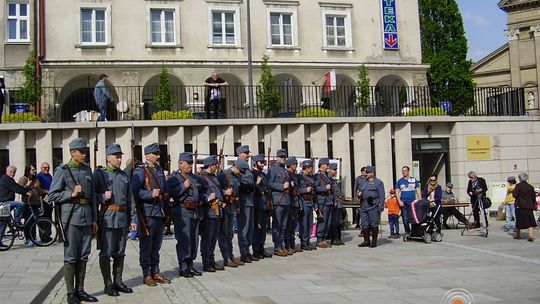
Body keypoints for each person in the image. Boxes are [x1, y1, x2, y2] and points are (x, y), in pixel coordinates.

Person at [48, 138, 98, 304]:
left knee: (83, 255)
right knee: (71, 256)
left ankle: (80, 290)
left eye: (85, 152)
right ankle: (70, 293)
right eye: (81, 152)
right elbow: (52, 195)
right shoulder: (62, 170)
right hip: (71, 218)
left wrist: (94, 219)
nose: (84, 154)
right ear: (72, 152)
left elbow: (92, 199)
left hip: (86, 216)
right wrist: (71, 194)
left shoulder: (86, 170)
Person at [93, 144, 133, 297]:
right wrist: (102, 197)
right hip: (108, 218)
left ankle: (118, 281)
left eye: (120, 156)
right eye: (116, 156)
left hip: (122, 218)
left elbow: (130, 199)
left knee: (120, 252)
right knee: (106, 253)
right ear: (108, 158)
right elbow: (91, 196)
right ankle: (108, 284)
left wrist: (132, 218)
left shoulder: (124, 176)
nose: (119, 159)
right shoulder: (100, 174)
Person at [131, 143, 171, 286]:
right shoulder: (141, 171)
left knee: (156, 245)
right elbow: (135, 192)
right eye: (156, 154)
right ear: (147, 155)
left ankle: (156, 271)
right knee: (147, 245)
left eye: (158, 154)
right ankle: (147, 274)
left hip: (158, 212)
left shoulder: (159, 170)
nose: (158, 156)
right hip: (147, 213)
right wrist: (149, 194)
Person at [167, 152, 203, 278]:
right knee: (184, 240)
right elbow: (171, 193)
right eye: (187, 163)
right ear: (180, 163)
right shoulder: (174, 178)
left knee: (194, 240)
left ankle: (190, 265)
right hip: (182, 212)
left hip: (195, 212)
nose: (189, 166)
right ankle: (183, 267)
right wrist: (183, 186)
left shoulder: (194, 178)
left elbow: (200, 191)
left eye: (191, 163)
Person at [199, 155, 226, 272]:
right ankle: (206, 262)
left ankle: (211, 260)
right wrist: (207, 198)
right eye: (215, 165)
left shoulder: (214, 177)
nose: (216, 167)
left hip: (217, 211)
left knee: (213, 238)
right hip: (209, 212)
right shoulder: (201, 178)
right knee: (207, 238)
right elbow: (198, 194)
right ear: (210, 165)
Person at [218, 159, 246, 266]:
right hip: (224, 207)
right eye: (241, 171)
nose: (241, 174)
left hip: (232, 207)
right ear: (236, 168)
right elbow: (215, 190)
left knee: (230, 234)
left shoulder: (237, 176)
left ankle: (230, 254)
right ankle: (226, 257)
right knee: (224, 233)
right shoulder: (223, 175)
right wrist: (225, 192)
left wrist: (237, 206)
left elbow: (237, 194)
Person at [236, 145, 258, 263]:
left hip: (250, 202)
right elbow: (240, 185)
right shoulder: (239, 165)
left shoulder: (247, 167)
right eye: (245, 153)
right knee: (243, 229)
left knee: (250, 228)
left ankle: (247, 251)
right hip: (244, 202)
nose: (248, 155)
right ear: (240, 154)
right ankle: (243, 252)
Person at [268, 149, 291, 256]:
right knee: (277, 225)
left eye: (284, 157)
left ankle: (281, 245)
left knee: (283, 225)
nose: (283, 159)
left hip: (286, 200)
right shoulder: (273, 169)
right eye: (281, 157)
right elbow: (270, 184)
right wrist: (282, 186)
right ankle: (277, 246)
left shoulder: (285, 170)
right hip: (278, 200)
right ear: (277, 157)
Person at [17, 164, 46, 246]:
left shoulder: (36, 179)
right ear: (28, 170)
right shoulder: (24, 178)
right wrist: (27, 186)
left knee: (34, 221)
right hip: (27, 203)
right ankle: (28, 239)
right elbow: (19, 189)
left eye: (35, 169)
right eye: (33, 169)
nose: (34, 171)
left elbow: (39, 191)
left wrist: (41, 204)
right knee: (28, 222)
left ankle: (33, 238)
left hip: (35, 203)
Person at [0, 165, 28, 247]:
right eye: (11, 172)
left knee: (3, 222)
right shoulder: (6, 179)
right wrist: (25, 192)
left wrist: (25, 190)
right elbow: (15, 188)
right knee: (20, 204)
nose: (12, 174)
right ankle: (17, 222)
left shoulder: (8, 179)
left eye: (14, 172)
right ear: (6, 171)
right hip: (4, 203)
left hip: (4, 203)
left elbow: (16, 186)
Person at [357, 166, 385, 248]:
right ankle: (366, 241)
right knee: (364, 224)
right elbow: (359, 192)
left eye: (367, 172)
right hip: (364, 205)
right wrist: (359, 194)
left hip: (373, 205)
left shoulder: (378, 182)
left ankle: (374, 241)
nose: (365, 174)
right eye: (365, 172)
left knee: (374, 223)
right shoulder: (363, 183)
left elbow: (382, 195)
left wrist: (381, 206)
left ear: (372, 173)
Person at [252, 154, 272, 259]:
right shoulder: (253, 174)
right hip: (257, 205)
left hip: (264, 205)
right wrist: (256, 183)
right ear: (255, 163)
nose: (263, 164)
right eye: (261, 162)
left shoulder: (263, 174)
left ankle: (261, 248)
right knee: (257, 228)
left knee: (263, 228)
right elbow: (251, 189)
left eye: (263, 162)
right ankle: (256, 250)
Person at [395, 166, 421, 235]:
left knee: (413, 218)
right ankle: (407, 231)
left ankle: (414, 231)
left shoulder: (413, 180)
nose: (404, 172)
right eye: (403, 171)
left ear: (408, 171)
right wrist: (399, 201)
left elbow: (418, 190)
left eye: (405, 170)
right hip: (404, 202)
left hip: (412, 202)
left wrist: (420, 199)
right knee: (405, 219)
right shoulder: (400, 181)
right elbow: (397, 192)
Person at [314, 158, 333, 248]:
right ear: (321, 165)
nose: (328, 166)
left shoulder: (328, 175)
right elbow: (316, 188)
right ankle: (319, 239)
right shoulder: (317, 176)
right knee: (322, 220)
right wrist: (325, 188)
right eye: (326, 164)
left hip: (328, 200)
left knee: (328, 221)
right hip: (322, 200)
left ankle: (324, 238)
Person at [512, 172, 537, 241]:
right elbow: (533, 197)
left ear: (520, 178)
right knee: (530, 221)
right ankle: (530, 235)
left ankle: (518, 235)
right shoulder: (531, 187)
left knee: (519, 220)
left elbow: (514, 195)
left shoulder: (518, 186)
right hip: (529, 206)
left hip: (520, 206)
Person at [298, 160, 316, 251]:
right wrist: (305, 190)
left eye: (311, 167)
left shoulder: (312, 178)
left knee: (309, 224)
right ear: (305, 168)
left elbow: (314, 192)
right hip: (304, 202)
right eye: (309, 167)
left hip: (310, 202)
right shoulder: (300, 177)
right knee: (304, 224)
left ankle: (308, 241)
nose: (311, 169)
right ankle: (303, 242)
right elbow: (297, 190)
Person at [284, 157, 300, 254]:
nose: (296, 166)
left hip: (295, 202)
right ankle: (287, 245)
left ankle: (292, 244)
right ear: (290, 165)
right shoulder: (286, 174)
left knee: (293, 225)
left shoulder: (294, 176)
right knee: (288, 225)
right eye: (294, 164)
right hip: (289, 202)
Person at [329, 162, 345, 246]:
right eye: (334, 170)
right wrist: (334, 200)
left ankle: (338, 238)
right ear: (330, 169)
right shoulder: (328, 179)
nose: (335, 171)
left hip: (339, 202)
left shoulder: (333, 179)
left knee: (339, 221)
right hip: (334, 202)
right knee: (334, 222)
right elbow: (330, 192)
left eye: (336, 170)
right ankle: (334, 239)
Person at [36, 162, 54, 238]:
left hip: (49, 198)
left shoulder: (49, 176)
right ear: (41, 168)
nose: (47, 169)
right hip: (42, 198)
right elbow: (38, 188)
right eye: (45, 168)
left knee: (49, 216)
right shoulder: (38, 176)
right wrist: (46, 191)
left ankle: (48, 234)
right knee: (43, 217)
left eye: (48, 168)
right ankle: (43, 235)